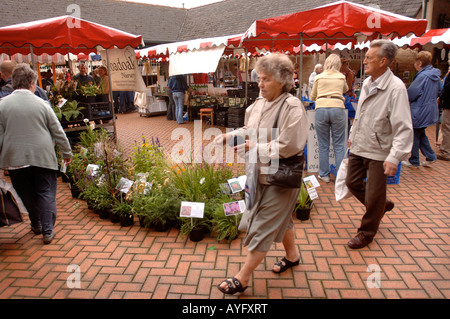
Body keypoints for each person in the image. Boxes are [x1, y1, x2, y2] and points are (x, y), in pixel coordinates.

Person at [215, 53, 309, 295]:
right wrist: (231, 135)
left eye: (266, 79)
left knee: (264, 224)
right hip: (259, 174)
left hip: (282, 177)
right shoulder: (258, 104)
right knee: (284, 218)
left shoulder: (292, 107)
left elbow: (291, 145)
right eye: (259, 78)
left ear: (282, 80)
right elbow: (250, 129)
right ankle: (293, 255)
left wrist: (257, 147)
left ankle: (243, 276)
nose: (260, 83)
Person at [345, 40, 413, 249]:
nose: (364, 61)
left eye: (368, 58)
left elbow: (403, 126)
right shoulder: (367, 82)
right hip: (359, 144)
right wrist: (352, 134)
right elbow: (362, 113)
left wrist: (395, 157)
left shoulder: (396, 88)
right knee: (352, 182)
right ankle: (380, 206)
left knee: (374, 193)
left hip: (379, 149)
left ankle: (366, 232)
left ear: (384, 61)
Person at [0, 63, 72, 244]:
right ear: (32, 82)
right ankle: (47, 230)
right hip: (42, 156)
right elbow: (57, 131)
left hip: (14, 158)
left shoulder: (2, 105)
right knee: (46, 191)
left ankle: (36, 224)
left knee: (26, 192)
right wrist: (66, 152)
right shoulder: (42, 104)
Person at [310, 54, 348, 183]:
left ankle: (324, 174)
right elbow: (346, 89)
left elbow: (312, 96)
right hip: (338, 108)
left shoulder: (318, 77)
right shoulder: (341, 77)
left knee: (323, 144)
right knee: (339, 145)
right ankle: (340, 176)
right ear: (338, 64)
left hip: (321, 108)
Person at [402, 51, 441, 168]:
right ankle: (431, 156)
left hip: (419, 110)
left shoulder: (422, 76)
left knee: (414, 133)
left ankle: (414, 160)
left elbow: (412, 93)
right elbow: (439, 91)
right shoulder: (435, 75)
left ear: (419, 63)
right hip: (430, 109)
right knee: (420, 133)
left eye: (415, 62)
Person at [437, 57, 450, 161]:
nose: (448, 61)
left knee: (446, 127)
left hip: (449, 105)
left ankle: (446, 151)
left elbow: (448, 89)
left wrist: (441, 98)